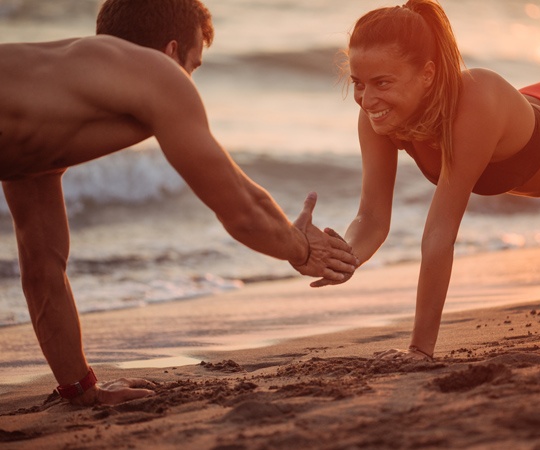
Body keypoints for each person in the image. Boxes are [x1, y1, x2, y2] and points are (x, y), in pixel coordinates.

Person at [0, 0, 357, 406]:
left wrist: (82, 390)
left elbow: (44, 272)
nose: (190, 82)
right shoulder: (158, 73)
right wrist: (301, 247)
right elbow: (241, 207)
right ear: (171, 52)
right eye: (194, 66)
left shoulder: (40, 128)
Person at [312, 0, 540, 361]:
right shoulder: (379, 115)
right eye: (358, 83)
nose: (366, 98)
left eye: (382, 82)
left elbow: (440, 234)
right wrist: (345, 257)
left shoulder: (476, 98)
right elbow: (372, 219)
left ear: (427, 74)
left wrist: (419, 350)